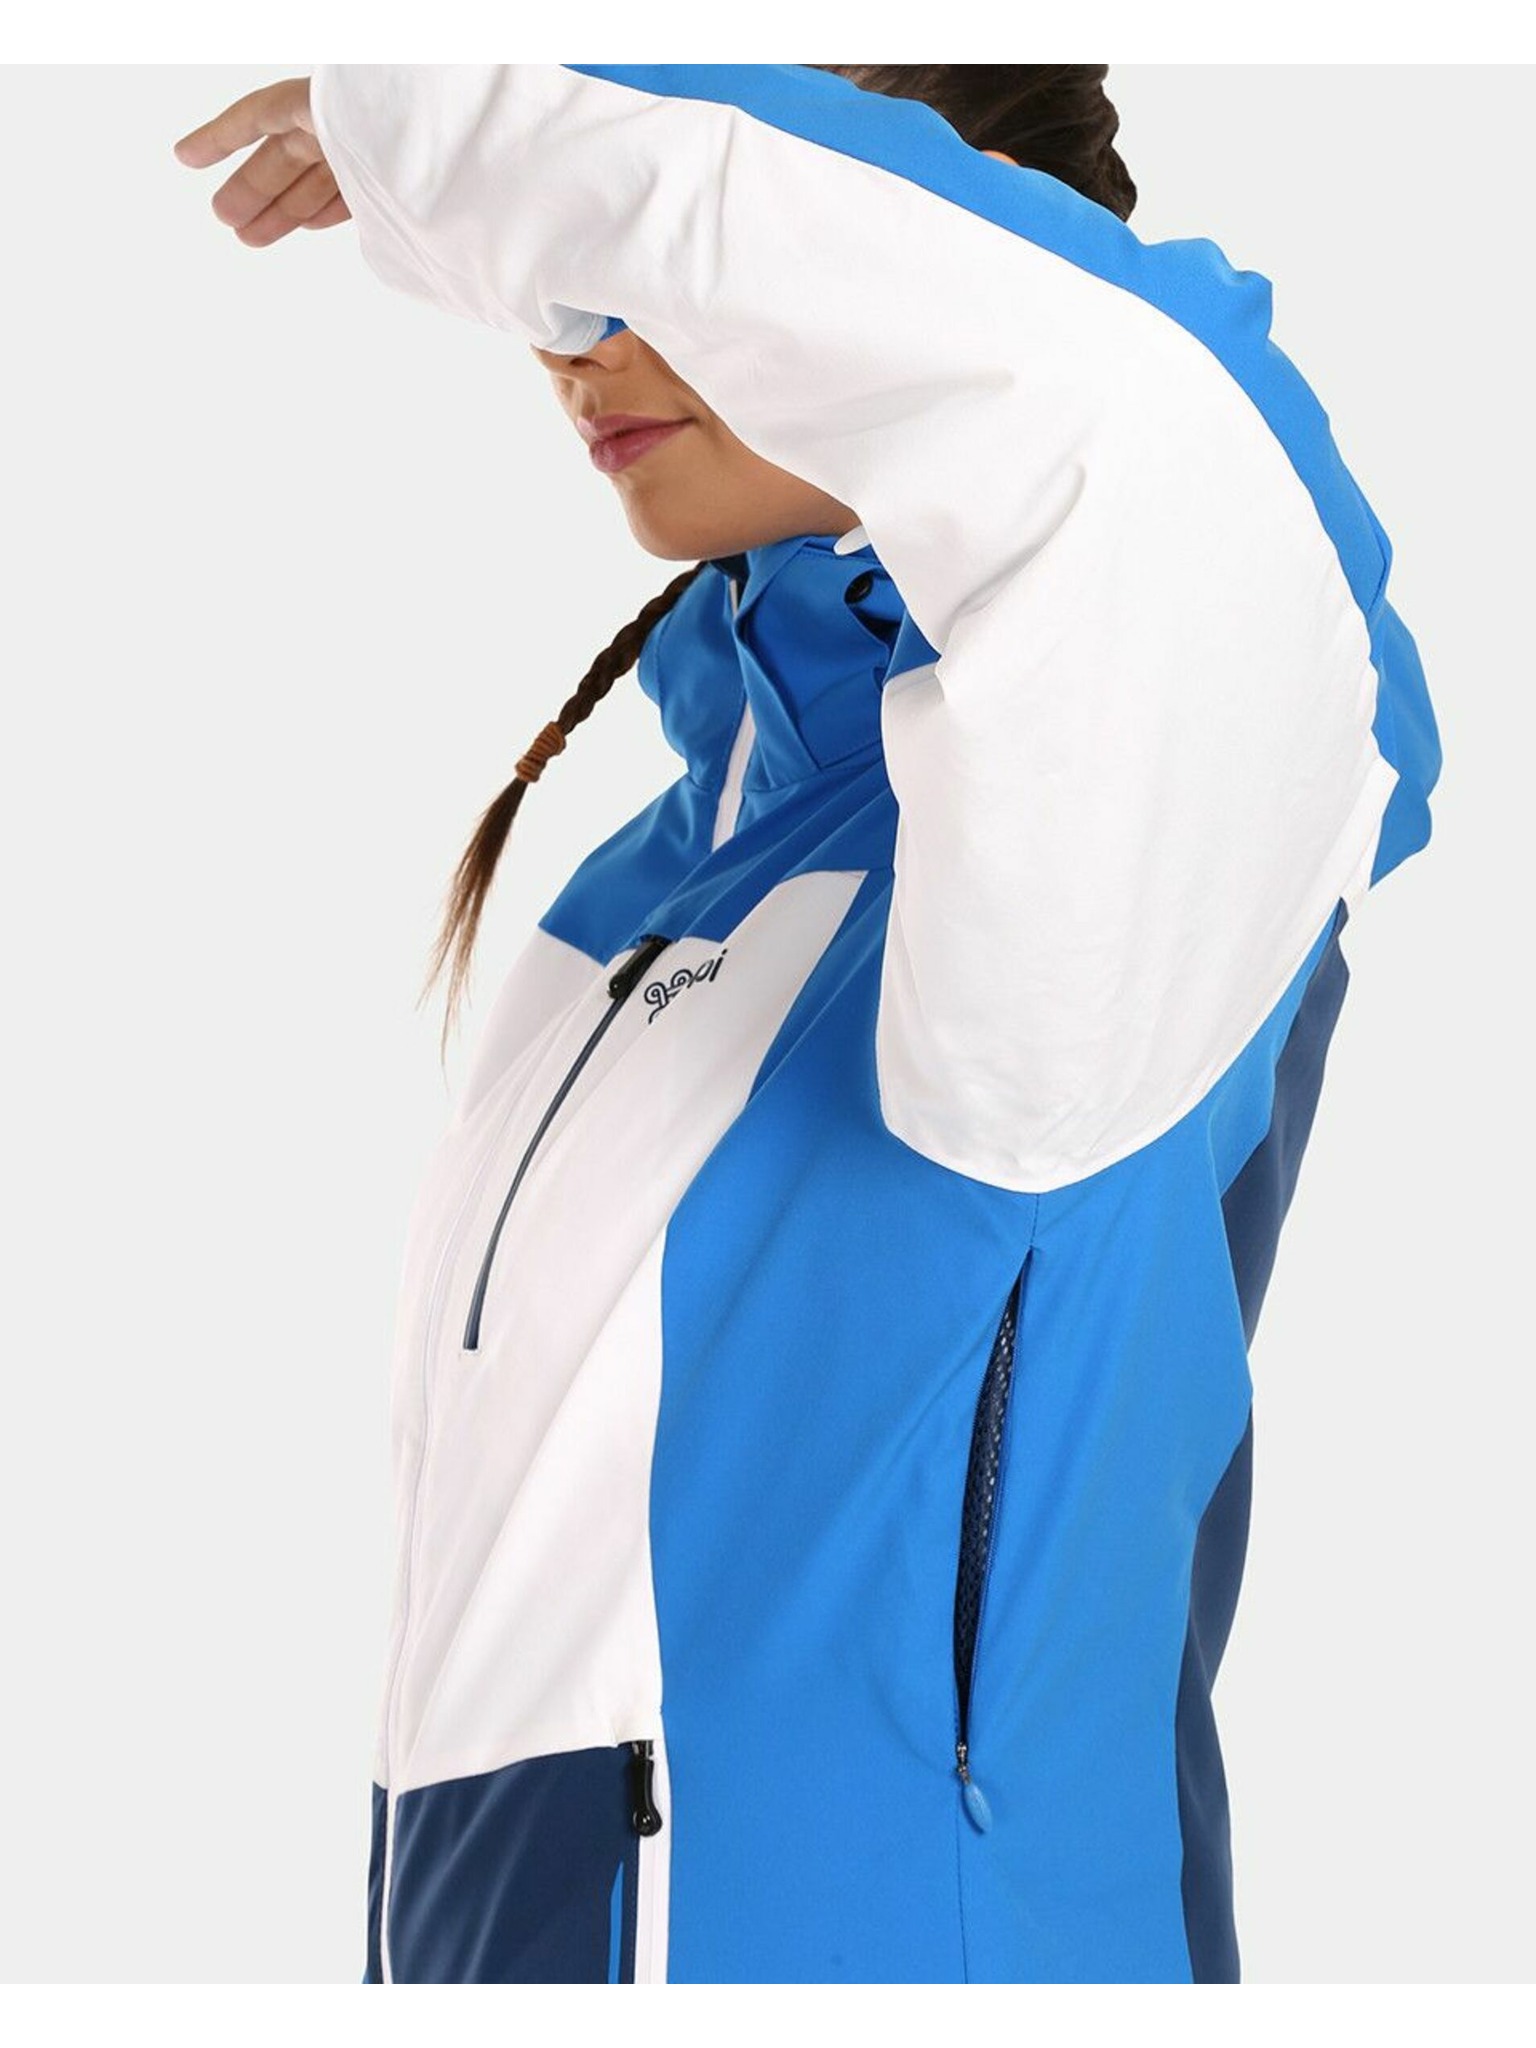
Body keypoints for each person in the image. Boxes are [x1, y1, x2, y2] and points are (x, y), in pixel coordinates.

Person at [174, 63, 1443, 1984]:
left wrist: (487, 132)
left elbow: (1122, 410)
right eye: (553, 286)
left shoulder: (1147, 755)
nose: (573, 338)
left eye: (655, 253)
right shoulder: (660, 877)